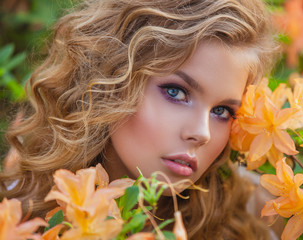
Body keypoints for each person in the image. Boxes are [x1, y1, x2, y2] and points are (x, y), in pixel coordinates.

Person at [0, 0, 277, 239]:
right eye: (176, 92)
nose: (202, 133)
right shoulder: (17, 212)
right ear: (109, 80)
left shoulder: (255, 217)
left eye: (222, 112)